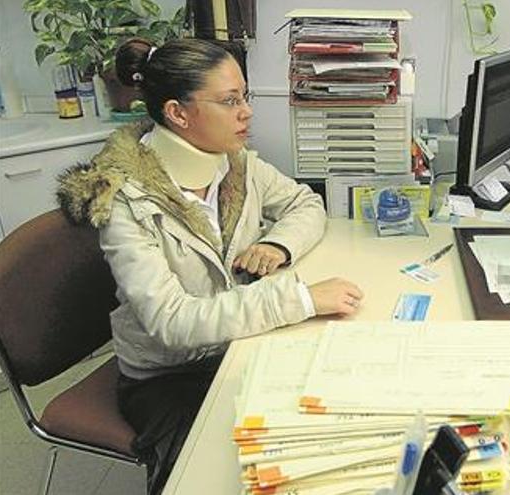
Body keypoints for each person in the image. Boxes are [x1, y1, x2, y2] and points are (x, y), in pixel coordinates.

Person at [57, 38, 363, 493]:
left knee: (322, 433)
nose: (247, 112)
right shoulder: (124, 200)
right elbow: (172, 322)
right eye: (229, 101)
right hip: (168, 373)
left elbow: (304, 204)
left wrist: (277, 244)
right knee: (209, 476)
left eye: (245, 97)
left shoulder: (235, 164)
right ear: (178, 114)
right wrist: (298, 297)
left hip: (236, 343)